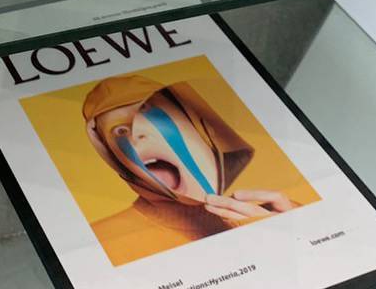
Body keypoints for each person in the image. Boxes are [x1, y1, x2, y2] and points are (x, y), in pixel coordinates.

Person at [83, 75, 299, 265]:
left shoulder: (281, 214)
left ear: (199, 124)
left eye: (149, 112)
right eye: (120, 131)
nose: (136, 133)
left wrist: (301, 234)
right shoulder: (101, 245)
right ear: (116, 161)